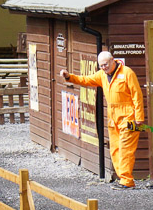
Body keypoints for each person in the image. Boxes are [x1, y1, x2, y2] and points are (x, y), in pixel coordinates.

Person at [60, 51, 145, 189]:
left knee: (125, 150)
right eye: (101, 66)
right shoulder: (102, 75)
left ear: (113, 60)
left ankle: (126, 181)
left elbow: (137, 95)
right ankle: (123, 177)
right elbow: (86, 80)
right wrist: (70, 77)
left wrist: (139, 118)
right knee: (115, 150)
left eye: (105, 64)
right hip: (113, 119)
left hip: (129, 117)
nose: (103, 68)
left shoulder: (127, 73)